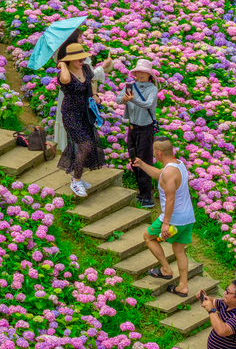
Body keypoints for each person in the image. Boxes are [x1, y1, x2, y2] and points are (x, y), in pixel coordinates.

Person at [132, 137, 195, 297]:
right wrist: (142, 164)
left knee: (148, 237)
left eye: (154, 151)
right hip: (188, 218)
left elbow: (170, 199)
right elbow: (160, 175)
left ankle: (166, 269)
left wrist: (165, 223)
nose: (153, 154)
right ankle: (183, 286)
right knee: (179, 251)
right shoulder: (178, 165)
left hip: (174, 219)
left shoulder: (168, 172)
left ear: (159, 153)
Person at [55, 42, 107, 198]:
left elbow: (90, 84)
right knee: (85, 145)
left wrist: (95, 95)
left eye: (82, 58)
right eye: (78, 59)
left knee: (89, 144)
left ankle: (77, 175)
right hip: (71, 114)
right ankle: (76, 180)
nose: (82, 61)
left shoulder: (85, 69)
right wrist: (63, 65)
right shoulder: (65, 74)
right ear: (70, 60)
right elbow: (64, 79)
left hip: (85, 112)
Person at [113, 59, 159, 208]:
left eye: (143, 72)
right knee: (133, 159)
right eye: (138, 71)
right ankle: (141, 192)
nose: (140, 74)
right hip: (132, 128)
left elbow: (148, 104)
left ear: (149, 74)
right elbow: (119, 99)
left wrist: (134, 99)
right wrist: (124, 99)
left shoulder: (152, 89)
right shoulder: (131, 86)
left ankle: (147, 197)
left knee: (144, 161)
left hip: (145, 130)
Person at [198, 280, 236, 349]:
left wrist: (212, 310)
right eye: (226, 289)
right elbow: (212, 301)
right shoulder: (227, 304)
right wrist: (204, 298)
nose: (225, 293)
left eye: (228, 292)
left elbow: (222, 331)